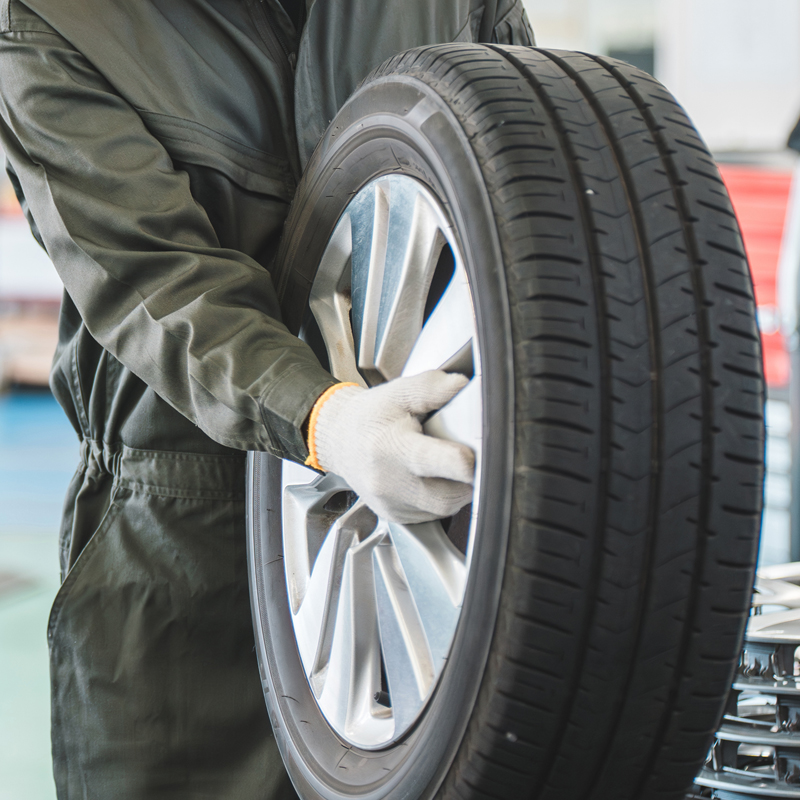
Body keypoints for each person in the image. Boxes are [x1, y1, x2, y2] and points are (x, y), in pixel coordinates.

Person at [0, 1, 533, 797]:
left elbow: (540, 194)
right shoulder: (58, 22)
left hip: (446, 516)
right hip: (184, 551)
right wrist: (326, 419)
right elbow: (157, 282)